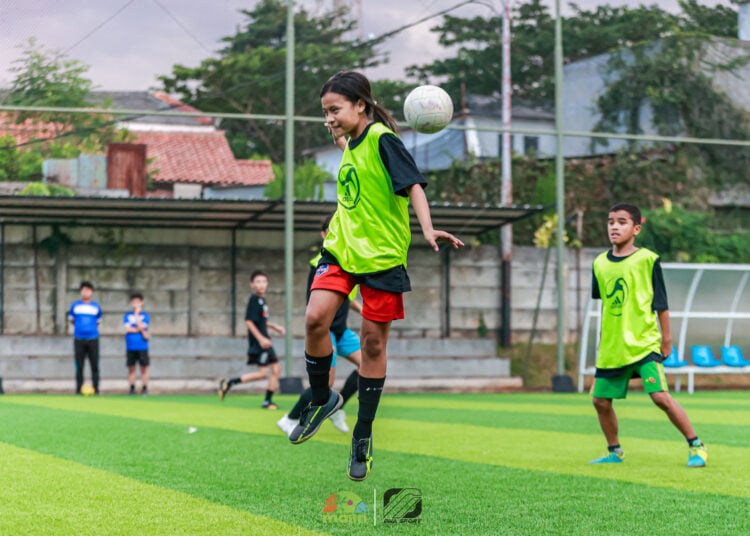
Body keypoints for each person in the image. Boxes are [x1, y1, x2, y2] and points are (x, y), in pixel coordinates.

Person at [289, 71, 464, 482]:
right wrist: (337, 128)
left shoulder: (384, 140)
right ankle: (321, 399)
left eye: (334, 110)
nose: (328, 118)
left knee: (371, 343)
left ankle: (362, 436)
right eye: (324, 112)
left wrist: (426, 228)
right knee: (315, 318)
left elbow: (414, 186)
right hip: (341, 249)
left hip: (383, 256)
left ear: (360, 106)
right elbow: (340, 137)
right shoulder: (348, 140)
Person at [589, 203, 707, 468]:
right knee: (599, 400)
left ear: (636, 228)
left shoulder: (648, 260)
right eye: (610, 222)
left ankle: (696, 446)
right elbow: (607, 306)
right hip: (612, 346)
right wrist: (602, 341)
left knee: (660, 397)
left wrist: (667, 340)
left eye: (621, 222)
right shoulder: (598, 263)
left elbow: (661, 304)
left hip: (644, 343)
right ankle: (614, 451)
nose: (614, 227)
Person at [277, 214, 363, 436]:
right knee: (325, 384)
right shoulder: (320, 264)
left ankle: (337, 408)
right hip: (328, 333)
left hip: (342, 331)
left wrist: (361, 309)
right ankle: (289, 418)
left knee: (369, 367)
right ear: (324, 234)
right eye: (333, 230)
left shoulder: (349, 258)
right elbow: (314, 303)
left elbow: (347, 294)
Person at [219, 270, 285, 409]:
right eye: (258, 282)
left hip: (266, 341)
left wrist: (275, 327)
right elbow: (249, 321)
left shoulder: (262, 301)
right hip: (261, 343)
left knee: (276, 370)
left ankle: (267, 401)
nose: (261, 285)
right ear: (252, 285)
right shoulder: (254, 300)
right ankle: (230, 383)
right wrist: (261, 339)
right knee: (264, 373)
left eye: (264, 281)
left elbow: (261, 321)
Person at [68, 281, 103, 395]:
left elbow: (98, 321)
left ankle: (96, 388)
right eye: (83, 290)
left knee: (94, 364)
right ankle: (78, 388)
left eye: (88, 290)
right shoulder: (75, 306)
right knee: (79, 365)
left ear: (91, 292)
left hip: (93, 339)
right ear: (80, 292)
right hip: (79, 339)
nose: (85, 292)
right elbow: (72, 320)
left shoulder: (96, 307)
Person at [124, 292, 150, 395]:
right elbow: (127, 329)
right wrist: (138, 329)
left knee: (143, 368)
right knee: (131, 368)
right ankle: (132, 387)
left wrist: (137, 315)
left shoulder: (145, 316)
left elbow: (142, 327)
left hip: (142, 346)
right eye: (134, 302)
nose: (136, 304)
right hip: (130, 345)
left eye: (138, 302)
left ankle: (145, 387)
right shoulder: (127, 315)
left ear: (142, 303)